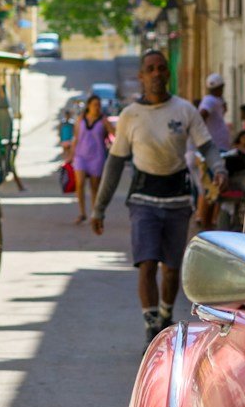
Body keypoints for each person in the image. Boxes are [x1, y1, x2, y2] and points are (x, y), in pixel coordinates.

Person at [94, 49, 219, 340]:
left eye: (162, 68)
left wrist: (219, 168)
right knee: (147, 262)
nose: (157, 74)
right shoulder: (130, 116)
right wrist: (99, 208)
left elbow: (208, 146)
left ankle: (165, 314)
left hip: (177, 199)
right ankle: (151, 325)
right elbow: (114, 163)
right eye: (150, 69)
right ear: (141, 76)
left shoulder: (184, 110)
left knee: (172, 269)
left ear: (168, 73)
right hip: (143, 200)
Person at [69, 93, 111, 223]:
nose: (97, 108)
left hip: (97, 157)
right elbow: (76, 137)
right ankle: (82, 212)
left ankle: (95, 213)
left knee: (94, 187)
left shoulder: (104, 121)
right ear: (88, 106)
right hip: (81, 156)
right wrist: (71, 154)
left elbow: (115, 134)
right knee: (80, 183)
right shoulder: (81, 119)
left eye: (99, 105)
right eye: (94, 105)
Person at [197, 72, 234, 155]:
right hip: (215, 146)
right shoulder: (209, 100)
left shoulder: (217, 99)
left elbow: (224, 109)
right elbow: (202, 115)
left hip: (220, 145)